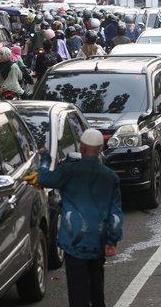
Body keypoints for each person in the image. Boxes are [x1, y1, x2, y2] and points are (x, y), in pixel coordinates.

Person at [38, 128, 123, 307]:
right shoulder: (110, 178)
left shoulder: (68, 171)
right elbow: (114, 213)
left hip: (73, 238)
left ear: (82, 148)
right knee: (96, 284)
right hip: (98, 239)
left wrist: (45, 157)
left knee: (77, 289)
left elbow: (44, 178)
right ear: (100, 148)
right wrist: (111, 241)